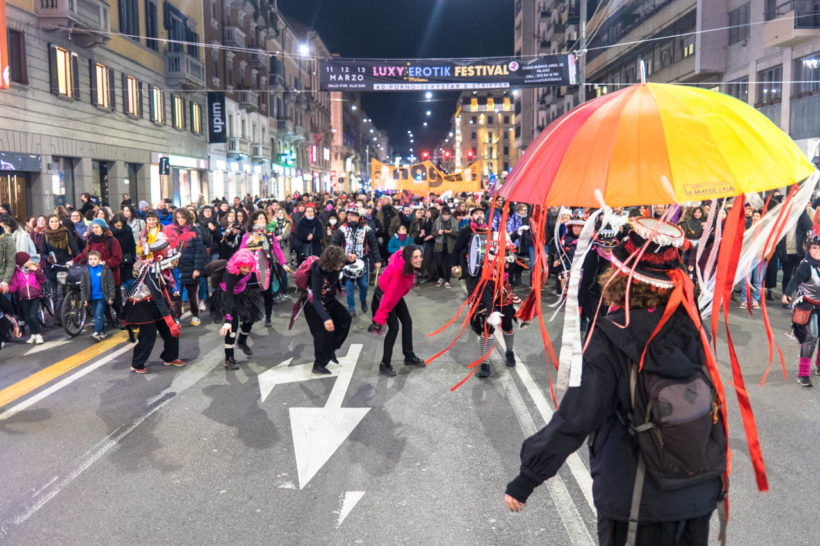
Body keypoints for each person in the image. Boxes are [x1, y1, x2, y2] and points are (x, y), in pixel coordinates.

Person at [505, 218, 725, 546]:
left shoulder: (611, 336)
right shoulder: (694, 326)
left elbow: (577, 416)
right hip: (698, 491)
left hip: (637, 498)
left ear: (620, 276)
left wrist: (527, 478)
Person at [122, 238, 183, 373]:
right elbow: (159, 298)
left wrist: (172, 317)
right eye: (172, 260)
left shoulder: (164, 270)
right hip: (142, 305)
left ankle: (170, 356)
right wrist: (170, 320)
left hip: (156, 302)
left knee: (169, 331)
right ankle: (137, 363)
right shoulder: (152, 273)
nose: (175, 263)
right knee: (148, 335)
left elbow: (163, 295)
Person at [368, 245, 425, 376]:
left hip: (395, 294)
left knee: (407, 322)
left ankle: (409, 356)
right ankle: (384, 364)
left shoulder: (404, 261)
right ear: (408, 258)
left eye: (420, 256)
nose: (420, 259)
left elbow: (399, 253)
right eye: (415, 257)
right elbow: (388, 298)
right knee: (394, 328)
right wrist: (380, 317)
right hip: (383, 297)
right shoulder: (399, 274)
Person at [782, 226, 820, 387]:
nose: (817, 251)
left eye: (819, 248)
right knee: (812, 337)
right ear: (809, 248)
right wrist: (787, 293)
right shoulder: (805, 265)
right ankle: (803, 374)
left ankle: (819, 365)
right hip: (808, 306)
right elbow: (795, 280)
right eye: (814, 248)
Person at [303, 245, 351, 374]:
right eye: (339, 263)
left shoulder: (335, 265)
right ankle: (318, 365)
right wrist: (326, 318)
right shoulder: (317, 271)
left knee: (345, 319)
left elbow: (345, 261)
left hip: (329, 299)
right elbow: (316, 299)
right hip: (313, 305)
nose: (341, 265)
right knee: (322, 335)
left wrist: (351, 260)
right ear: (332, 262)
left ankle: (330, 350)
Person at [212, 249, 263, 369]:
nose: (247, 270)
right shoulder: (230, 274)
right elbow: (229, 298)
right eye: (244, 267)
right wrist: (228, 320)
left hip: (242, 292)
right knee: (232, 327)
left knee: (251, 317)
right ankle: (229, 358)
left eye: (249, 267)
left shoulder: (249, 270)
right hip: (227, 296)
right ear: (237, 265)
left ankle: (241, 342)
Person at [332, 204, 381, 316]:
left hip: (362, 261)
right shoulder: (342, 229)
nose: (349, 217)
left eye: (353, 215)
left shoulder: (367, 229)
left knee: (363, 285)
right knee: (349, 286)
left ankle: (363, 300)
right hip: (346, 262)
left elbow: (374, 245)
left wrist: (378, 260)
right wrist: (338, 260)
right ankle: (351, 307)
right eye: (348, 215)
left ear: (359, 216)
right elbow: (334, 245)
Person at [165, 208, 205, 326]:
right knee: (177, 294)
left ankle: (195, 315)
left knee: (192, 295)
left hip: (191, 266)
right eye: (178, 217)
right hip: (177, 267)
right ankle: (177, 317)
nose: (180, 220)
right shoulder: (172, 230)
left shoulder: (195, 230)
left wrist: (197, 268)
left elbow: (199, 251)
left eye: (182, 217)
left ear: (188, 217)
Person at [40, 214, 80, 318]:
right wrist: (47, 258)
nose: (54, 224)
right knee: (55, 294)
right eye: (52, 222)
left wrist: (78, 259)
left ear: (59, 222)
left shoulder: (66, 233)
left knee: (62, 292)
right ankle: (58, 316)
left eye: (56, 221)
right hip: (52, 268)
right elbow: (43, 253)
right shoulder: (45, 235)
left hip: (64, 266)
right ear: (48, 223)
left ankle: (63, 315)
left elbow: (74, 248)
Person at [9, 252, 47, 344]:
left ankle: (38, 334)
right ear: (22, 263)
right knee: (28, 317)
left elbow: (42, 279)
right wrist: (7, 288)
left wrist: (37, 270)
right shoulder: (17, 272)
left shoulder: (34, 269)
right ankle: (33, 334)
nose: (30, 261)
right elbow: (15, 286)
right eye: (28, 260)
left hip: (35, 296)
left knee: (33, 316)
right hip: (24, 297)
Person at [79, 250, 115, 341]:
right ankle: (102, 332)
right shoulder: (86, 271)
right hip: (91, 297)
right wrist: (84, 299)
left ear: (100, 260)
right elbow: (83, 286)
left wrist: (111, 297)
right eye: (90, 259)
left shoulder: (105, 270)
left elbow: (111, 284)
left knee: (99, 314)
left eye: (95, 259)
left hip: (102, 297)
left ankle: (97, 331)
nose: (93, 261)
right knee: (96, 315)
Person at [433, 207, 459, 288]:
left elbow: (458, 235)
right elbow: (432, 233)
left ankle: (448, 280)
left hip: (450, 246)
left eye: (448, 215)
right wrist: (438, 232)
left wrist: (451, 232)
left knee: (448, 265)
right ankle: (441, 277)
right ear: (441, 214)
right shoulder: (437, 221)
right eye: (444, 214)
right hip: (439, 245)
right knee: (438, 263)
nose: (446, 216)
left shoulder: (454, 221)